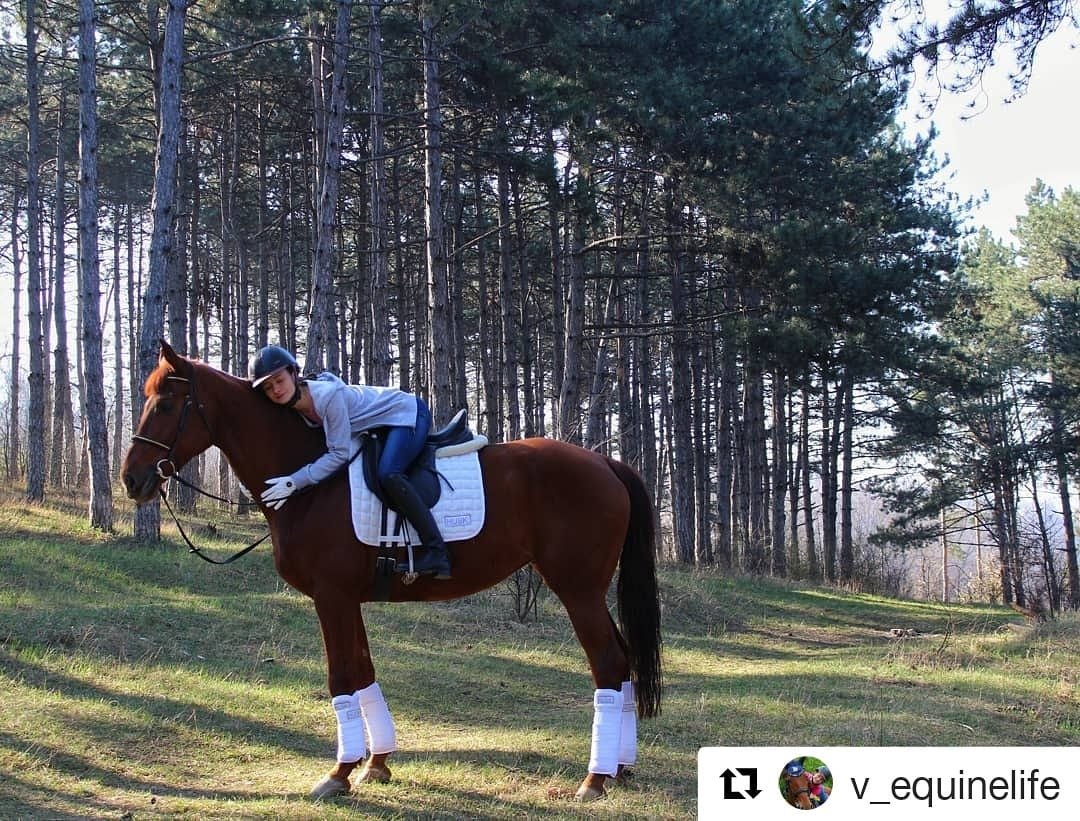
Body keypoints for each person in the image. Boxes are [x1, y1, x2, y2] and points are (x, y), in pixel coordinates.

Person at [248, 345, 451, 579]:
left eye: (279, 380)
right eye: (267, 387)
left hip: (408, 413)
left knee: (389, 474)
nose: (275, 390)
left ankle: (437, 552)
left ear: (294, 373)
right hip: (383, 423)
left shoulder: (326, 398)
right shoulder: (295, 408)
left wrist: (295, 481)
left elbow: (339, 454)